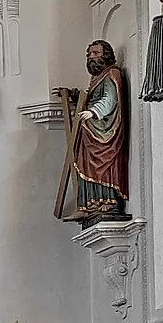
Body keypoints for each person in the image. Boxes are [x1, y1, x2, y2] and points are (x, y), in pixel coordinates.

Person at [54, 39, 129, 224]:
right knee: (84, 161)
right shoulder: (97, 78)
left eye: (95, 53)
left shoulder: (112, 74)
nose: (91, 57)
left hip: (103, 129)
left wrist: (93, 112)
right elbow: (90, 96)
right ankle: (87, 205)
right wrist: (72, 94)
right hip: (90, 130)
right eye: (89, 54)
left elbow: (109, 99)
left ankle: (108, 201)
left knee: (103, 163)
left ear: (106, 54)